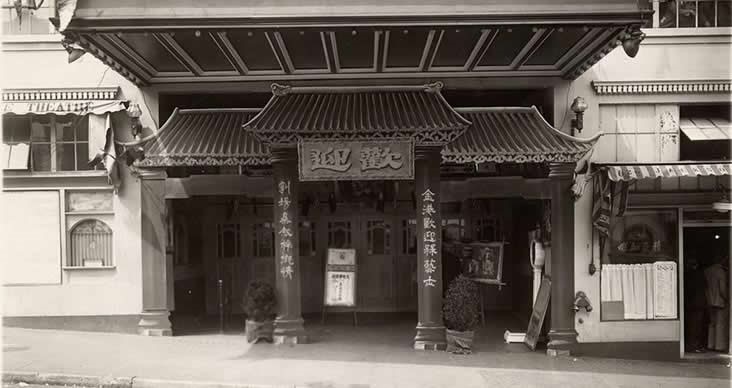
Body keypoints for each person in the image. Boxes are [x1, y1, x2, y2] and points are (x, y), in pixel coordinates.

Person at [705, 254, 729, 352]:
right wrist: (727, 299)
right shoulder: (720, 271)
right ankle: (719, 346)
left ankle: (710, 344)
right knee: (720, 324)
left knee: (712, 323)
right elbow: (722, 289)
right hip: (719, 301)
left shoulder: (707, 271)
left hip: (709, 300)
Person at [685, 258, 707, 352]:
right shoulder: (699, 275)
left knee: (691, 325)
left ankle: (691, 345)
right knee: (697, 325)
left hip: (689, 303)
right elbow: (705, 286)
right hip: (698, 303)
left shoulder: (687, 275)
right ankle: (695, 346)